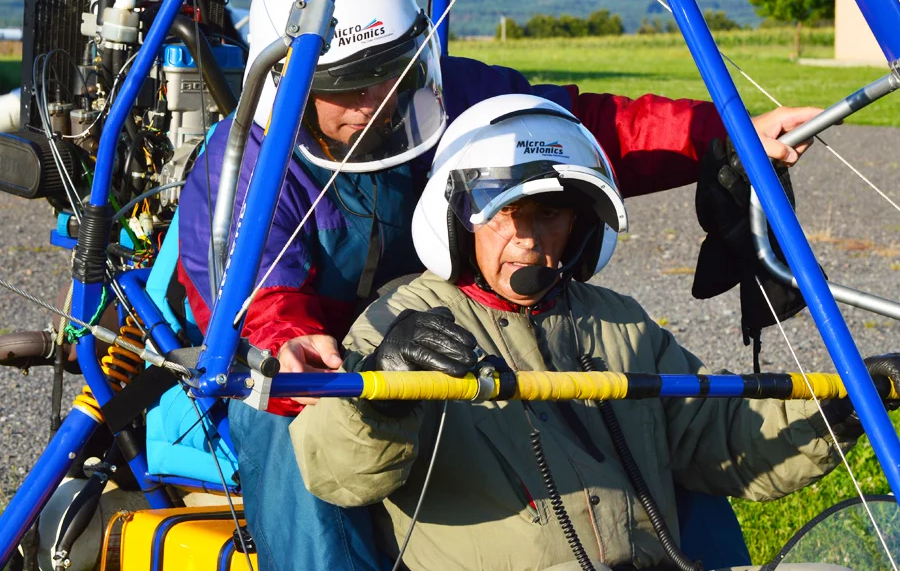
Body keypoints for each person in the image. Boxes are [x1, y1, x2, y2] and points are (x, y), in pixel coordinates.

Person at [166, 0, 819, 571]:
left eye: (391, 71)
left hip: (456, 318)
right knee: (294, 420)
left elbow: (583, 132)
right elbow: (255, 300)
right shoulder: (241, 168)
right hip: (321, 358)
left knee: (635, 413)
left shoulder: (452, 93)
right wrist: (306, 349)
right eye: (349, 86)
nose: (377, 100)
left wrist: (729, 134)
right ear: (286, 83)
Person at [290, 94, 884, 571]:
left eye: (549, 214)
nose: (527, 238)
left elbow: (722, 434)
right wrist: (383, 390)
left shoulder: (617, 320)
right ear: (459, 217)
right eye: (504, 212)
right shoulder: (402, 321)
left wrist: (845, 404)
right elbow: (335, 471)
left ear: (579, 225)